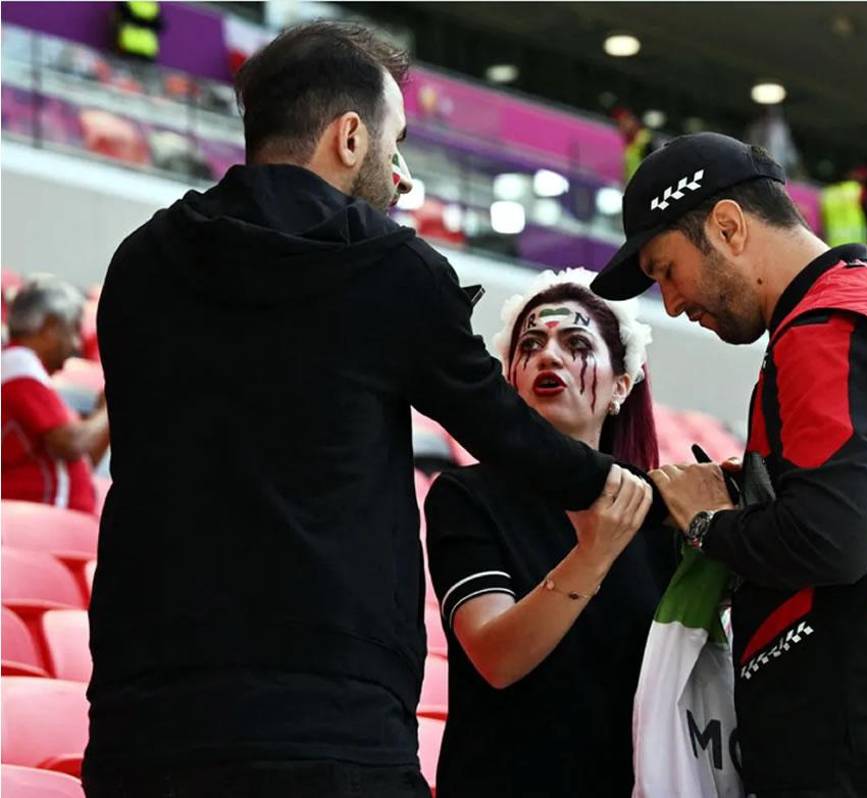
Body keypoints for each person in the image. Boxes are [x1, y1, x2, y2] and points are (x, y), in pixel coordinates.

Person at [84, 22, 650, 798]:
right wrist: (624, 492)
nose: (403, 174)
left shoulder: (141, 260)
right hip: (331, 728)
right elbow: (505, 430)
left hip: (144, 721)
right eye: (397, 142)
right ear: (349, 136)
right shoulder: (388, 268)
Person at [592, 132, 867, 796]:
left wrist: (708, 524)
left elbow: (832, 539)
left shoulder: (824, 327)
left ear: (727, 226)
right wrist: (753, 490)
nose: (672, 302)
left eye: (666, 270)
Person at [424, 269, 674, 797]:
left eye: (576, 343)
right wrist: (594, 552)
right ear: (509, 379)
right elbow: (496, 658)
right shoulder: (466, 496)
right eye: (530, 344)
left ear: (621, 385)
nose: (548, 356)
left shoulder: (659, 516)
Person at [2, 275, 108, 513]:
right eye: (72, 331)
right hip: (38, 519)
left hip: (50, 518)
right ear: (49, 328)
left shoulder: (26, 371)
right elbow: (69, 443)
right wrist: (109, 409)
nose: (76, 345)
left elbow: (84, 457)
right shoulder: (18, 364)